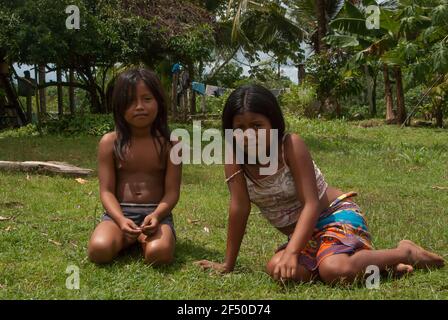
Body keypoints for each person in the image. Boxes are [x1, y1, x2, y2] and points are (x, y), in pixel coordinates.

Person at [196, 84, 445, 284]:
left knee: (332, 269)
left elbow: (311, 205)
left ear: (273, 123)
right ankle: (374, 267)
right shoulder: (234, 160)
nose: (248, 135)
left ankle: (405, 253)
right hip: (306, 234)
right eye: (239, 128)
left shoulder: (290, 146)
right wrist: (227, 264)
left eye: (257, 126)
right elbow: (239, 209)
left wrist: (293, 252)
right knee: (279, 270)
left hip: (334, 215)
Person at [88, 68, 181, 266]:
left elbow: (172, 192)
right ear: (120, 107)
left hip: (157, 216)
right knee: (98, 250)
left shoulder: (171, 144)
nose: (139, 106)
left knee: (159, 254)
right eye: (130, 101)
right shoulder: (109, 142)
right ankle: (125, 236)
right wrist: (121, 220)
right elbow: (106, 191)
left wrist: (156, 216)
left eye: (147, 99)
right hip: (119, 214)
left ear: (159, 102)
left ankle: (143, 239)